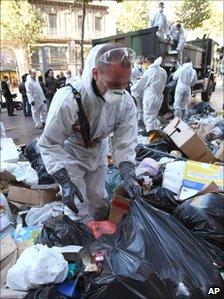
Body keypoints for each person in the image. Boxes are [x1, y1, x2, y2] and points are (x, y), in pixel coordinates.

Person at [37, 44, 141, 223]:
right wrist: (64, 182)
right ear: (95, 74)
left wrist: (127, 172)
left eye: (125, 84)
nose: (119, 91)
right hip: (72, 154)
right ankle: (81, 241)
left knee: (99, 198)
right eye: (114, 84)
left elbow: (125, 139)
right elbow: (50, 143)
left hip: (98, 151)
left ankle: (102, 235)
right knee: (77, 205)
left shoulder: (125, 102)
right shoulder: (68, 99)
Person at [131, 55, 167, 134]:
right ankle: (156, 135)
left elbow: (140, 84)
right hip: (159, 96)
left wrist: (132, 88)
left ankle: (152, 140)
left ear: (147, 61)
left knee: (148, 118)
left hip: (150, 96)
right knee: (154, 117)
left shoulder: (149, 71)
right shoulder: (163, 71)